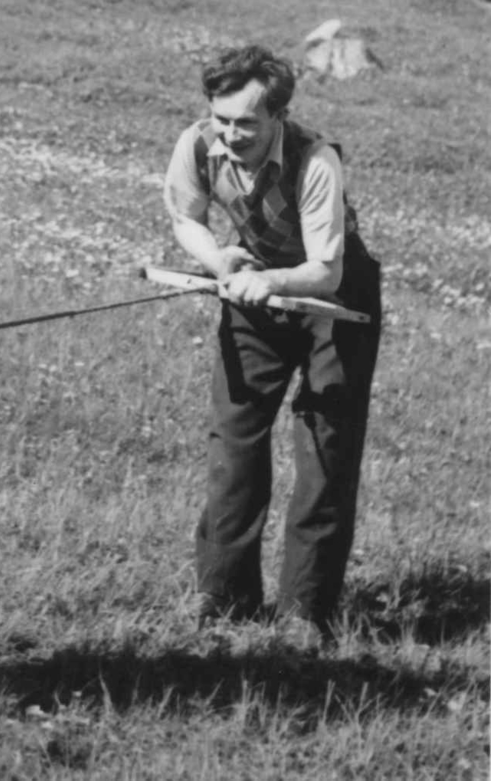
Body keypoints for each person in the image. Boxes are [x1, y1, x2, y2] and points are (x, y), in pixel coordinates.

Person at [162, 44, 381, 646]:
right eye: (221, 119)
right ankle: (223, 594)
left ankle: (305, 610)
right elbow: (186, 217)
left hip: (335, 297)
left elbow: (326, 272)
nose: (230, 135)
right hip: (252, 284)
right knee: (234, 438)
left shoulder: (315, 163)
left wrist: (269, 281)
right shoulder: (196, 144)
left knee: (324, 444)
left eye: (246, 124)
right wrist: (219, 260)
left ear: (278, 117)